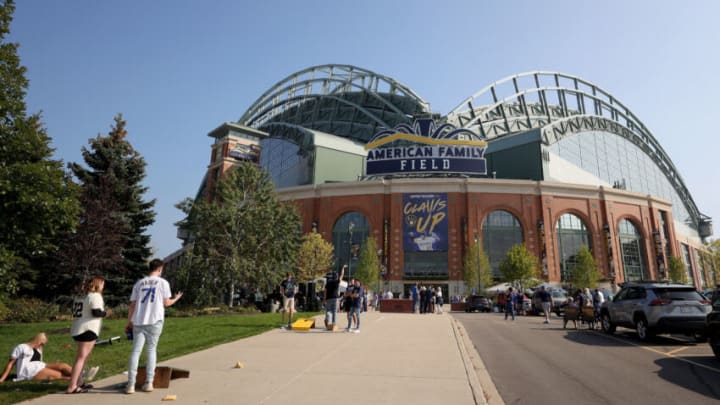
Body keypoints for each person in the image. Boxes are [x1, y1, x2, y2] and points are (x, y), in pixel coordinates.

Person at [125, 259, 183, 394]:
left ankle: (130, 384)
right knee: (151, 350)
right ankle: (149, 382)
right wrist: (176, 298)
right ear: (160, 269)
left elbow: (132, 305)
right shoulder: (163, 283)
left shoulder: (139, 283)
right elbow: (166, 303)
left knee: (135, 352)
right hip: (155, 320)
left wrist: (129, 322)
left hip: (139, 320)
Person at [67, 276, 107, 394]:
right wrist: (105, 313)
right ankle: (72, 386)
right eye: (103, 284)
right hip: (88, 329)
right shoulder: (95, 296)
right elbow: (96, 312)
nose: (103, 286)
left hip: (77, 328)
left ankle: (79, 382)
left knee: (83, 357)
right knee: (81, 358)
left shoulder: (80, 297)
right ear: (98, 284)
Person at [0, 333, 72, 383]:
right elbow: (11, 363)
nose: (41, 345)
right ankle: (75, 379)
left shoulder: (39, 349)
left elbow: (40, 362)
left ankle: (79, 374)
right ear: (37, 340)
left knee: (63, 365)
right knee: (59, 374)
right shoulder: (22, 347)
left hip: (39, 366)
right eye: (41, 343)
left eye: (43, 344)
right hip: (28, 371)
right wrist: (2, 379)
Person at [323, 265, 344, 330]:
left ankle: (327, 317)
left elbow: (325, 291)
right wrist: (343, 268)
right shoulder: (337, 282)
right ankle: (333, 323)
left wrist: (324, 299)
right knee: (334, 311)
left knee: (328, 310)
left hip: (328, 298)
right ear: (336, 277)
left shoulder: (328, 283)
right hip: (335, 298)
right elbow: (342, 275)